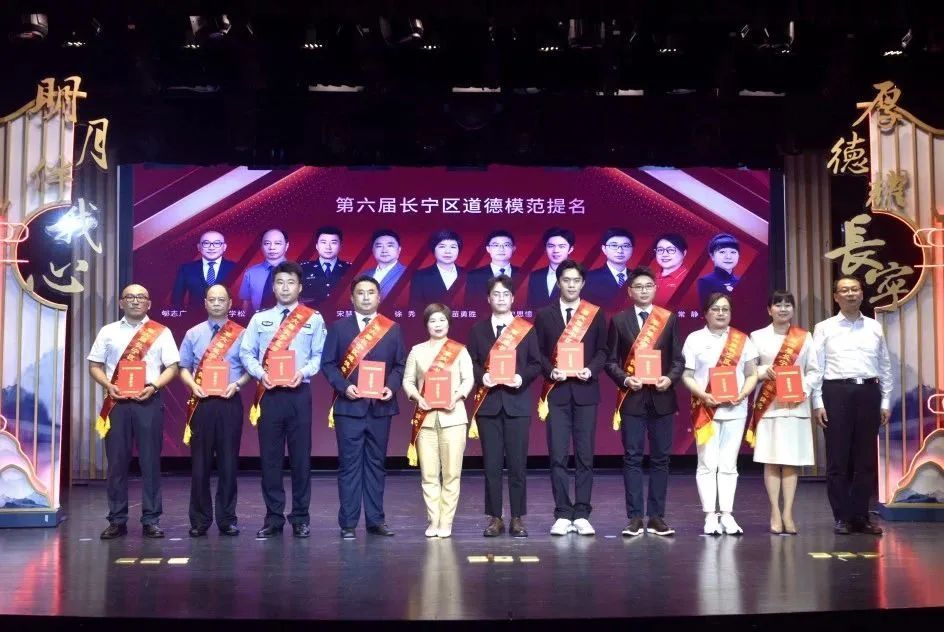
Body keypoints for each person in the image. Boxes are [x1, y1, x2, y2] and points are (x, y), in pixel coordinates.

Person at [239, 261, 327, 539]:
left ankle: (300, 518)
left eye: (290, 283)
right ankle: (273, 518)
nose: (285, 288)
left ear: (300, 287)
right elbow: (246, 353)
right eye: (280, 282)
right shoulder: (259, 319)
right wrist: (260, 374)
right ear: (273, 287)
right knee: (270, 459)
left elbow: (319, 356)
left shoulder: (313, 319)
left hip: (299, 394)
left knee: (300, 459)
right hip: (270, 394)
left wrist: (303, 372)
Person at [87, 284, 180, 539]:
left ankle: (151, 519)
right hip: (117, 403)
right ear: (121, 302)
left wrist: (154, 386)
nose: (136, 301)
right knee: (117, 463)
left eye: (141, 297)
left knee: (150, 462)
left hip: (148, 401)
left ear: (149, 303)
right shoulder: (108, 331)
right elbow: (94, 365)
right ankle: (117, 519)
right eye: (130, 297)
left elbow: (172, 367)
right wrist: (108, 385)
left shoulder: (161, 332)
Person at [321, 275, 406, 539]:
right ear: (352, 298)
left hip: (380, 408)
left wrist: (391, 387)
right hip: (349, 407)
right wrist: (344, 387)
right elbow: (328, 364)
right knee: (349, 465)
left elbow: (400, 365)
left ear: (379, 297)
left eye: (371, 292)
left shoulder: (392, 329)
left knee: (376, 465)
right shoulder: (339, 328)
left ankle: (375, 521)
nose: (366, 297)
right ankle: (348, 523)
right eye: (361, 292)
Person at [604, 267, 684, 537]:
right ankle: (635, 517)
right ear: (630, 291)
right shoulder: (619, 320)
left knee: (661, 459)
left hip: (662, 397)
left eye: (648, 286)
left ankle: (657, 517)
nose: (644, 290)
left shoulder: (668, 319)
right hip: (633, 398)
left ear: (655, 288)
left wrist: (669, 379)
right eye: (638, 286)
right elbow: (611, 361)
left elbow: (678, 360)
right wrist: (626, 379)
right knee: (632, 458)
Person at [811, 275, 892, 536]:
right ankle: (842, 517)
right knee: (838, 459)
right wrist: (817, 402)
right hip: (836, 392)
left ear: (862, 294)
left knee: (865, 460)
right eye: (844, 290)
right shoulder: (824, 328)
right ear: (836, 296)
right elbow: (816, 367)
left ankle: (861, 516)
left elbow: (885, 365)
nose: (850, 294)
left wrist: (885, 400)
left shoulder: (874, 327)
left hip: (868, 392)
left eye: (854, 289)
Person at [534, 260, 608, 536]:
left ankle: (583, 512)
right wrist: (550, 370)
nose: (571, 285)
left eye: (576, 280)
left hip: (586, 391)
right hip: (557, 392)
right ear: (558, 282)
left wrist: (591, 369)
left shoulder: (595, 314)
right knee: (558, 454)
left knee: (585, 455)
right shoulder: (545, 315)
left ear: (583, 283)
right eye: (566, 280)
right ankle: (563, 513)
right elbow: (538, 353)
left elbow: (603, 351)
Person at [466, 275, 542, 538]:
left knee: (518, 464)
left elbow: (536, 363)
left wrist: (520, 378)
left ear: (513, 298)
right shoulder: (478, 330)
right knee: (492, 465)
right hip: (488, 406)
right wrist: (482, 376)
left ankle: (517, 517)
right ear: (488, 299)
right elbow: (471, 362)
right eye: (495, 294)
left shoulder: (526, 329)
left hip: (517, 404)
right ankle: (495, 517)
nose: (500, 299)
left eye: (505, 294)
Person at [682, 292, 758, 536]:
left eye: (725, 309)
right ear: (706, 313)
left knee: (728, 464)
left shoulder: (742, 339)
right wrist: (703, 395)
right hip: (706, 409)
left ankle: (727, 514)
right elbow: (687, 375)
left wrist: (743, 393)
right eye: (715, 309)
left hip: (735, 409)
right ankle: (710, 515)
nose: (721, 313)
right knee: (707, 463)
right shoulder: (694, 339)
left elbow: (752, 374)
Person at [178, 284, 250, 537]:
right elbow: (183, 367)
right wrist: (192, 386)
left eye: (221, 300)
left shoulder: (242, 334)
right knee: (200, 464)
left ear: (230, 303)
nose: (217, 303)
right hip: (202, 403)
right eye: (212, 299)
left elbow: (250, 369)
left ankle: (227, 519)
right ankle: (199, 520)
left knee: (229, 464)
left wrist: (237, 385)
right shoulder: (193, 333)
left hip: (230, 401)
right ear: (205, 303)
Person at [748, 291, 820, 535]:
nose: (782, 309)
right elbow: (749, 370)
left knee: (791, 461)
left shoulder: (804, 337)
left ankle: (788, 512)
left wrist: (803, 390)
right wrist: (763, 371)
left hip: (795, 406)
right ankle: (775, 513)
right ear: (769, 310)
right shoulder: (757, 336)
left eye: (787, 305)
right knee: (771, 460)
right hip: (769, 406)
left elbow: (814, 371)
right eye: (777, 305)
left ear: (793, 309)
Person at [402, 303, 474, 538]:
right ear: (426, 325)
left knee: (452, 474)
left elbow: (468, 379)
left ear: (449, 323)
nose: (438, 324)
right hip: (425, 420)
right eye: (433, 320)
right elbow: (407, 381)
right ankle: (433, 520)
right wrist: (417, 397)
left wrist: (457, 396)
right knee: (429, 475)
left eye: (442, 320)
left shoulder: (459, 350)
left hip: (453, 418)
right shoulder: (417, 351)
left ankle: (446, 521)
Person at [171, 230, 237, 307]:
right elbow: (176, 300)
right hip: (193, 314)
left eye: (217, 243)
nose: (211, 247)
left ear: (224, 247)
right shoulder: (186, 269)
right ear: (199, 247)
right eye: (206, 243)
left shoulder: (235, 268)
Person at [409, 230, 466, 305]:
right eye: (442, 246)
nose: (448, 251)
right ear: (433, 249)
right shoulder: (420, 276)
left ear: (458, 250)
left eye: (453, 247)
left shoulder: (470, 275)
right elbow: (415, 307)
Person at [239, 228, 289, 313]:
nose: (272, 247)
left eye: (277, 243)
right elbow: (246, 304)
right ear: (261, 246)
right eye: (267, 243)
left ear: (286, 246)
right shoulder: (251, 273)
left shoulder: (298, 272)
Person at [300, 226, 352, 307]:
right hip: (310, 313)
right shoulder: (303, 269)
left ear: (340, 246)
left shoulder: (350, 269)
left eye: (333, 243)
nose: (328, 247)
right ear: (317, 246)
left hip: (340, 313)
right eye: (323, 242)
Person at [585, 228, 634, 311]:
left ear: (632, 249)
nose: (620, 251)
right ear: (604, 249)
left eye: (625, 246)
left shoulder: (639, 277)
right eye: (614, 245)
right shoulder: (588, 278)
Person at [527, 227, 575, 309]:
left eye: (561, 246)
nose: (556, 250)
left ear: (570, 249)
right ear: (545, 248)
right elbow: (531, 307)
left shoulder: (581, 275)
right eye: (551, 246)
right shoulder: (535, 276)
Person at [466, 230, 519, 301]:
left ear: (513, 248)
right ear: (488, 249)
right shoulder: (474, 276)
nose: (501, 249)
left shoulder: (525, 274)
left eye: (506, 245)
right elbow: (470, 303)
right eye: (496, 245)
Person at [696, 233, 741, 307]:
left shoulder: (740, 281)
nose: (728, 257)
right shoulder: (705, 281)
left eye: (733, 252)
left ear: (738, 255)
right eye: (722, 252)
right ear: (712, 256)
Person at [364, 229, 407, 301]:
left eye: (390, 246)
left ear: (399, 250)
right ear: (373, 250)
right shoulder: (364, 275)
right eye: (379, 246)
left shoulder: (410, 274)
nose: (384, 250)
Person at [652, 233, 689, 306]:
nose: (664, 254)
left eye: (671, 250)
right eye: (660, 250)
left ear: (684, 253)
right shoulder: (650, 278)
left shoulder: (690, 281)